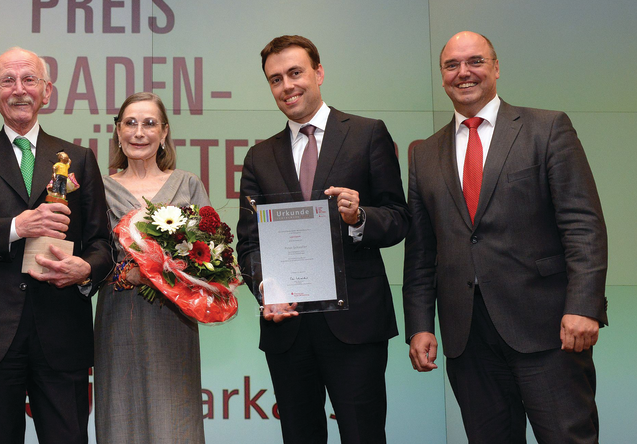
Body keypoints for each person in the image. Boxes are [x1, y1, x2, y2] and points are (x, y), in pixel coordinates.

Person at [403, 31, 607, 444]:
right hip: (468, 339)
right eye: (451, 65)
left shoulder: (547, 128)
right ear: (442, 76)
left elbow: (583, 224)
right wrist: (420, 325)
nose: (464, 73)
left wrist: (584, 306)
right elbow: (422, 251)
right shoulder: (423, 153)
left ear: (496, 68)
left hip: (550, 331)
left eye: (475, 61)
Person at [0, 46, 113, 444]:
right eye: (7, 81)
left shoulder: (79, 158)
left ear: (47, 92)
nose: (19, 90)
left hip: (62, 330)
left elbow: (101, 242)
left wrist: (87, 270)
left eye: (29, 79)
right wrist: (16, 226)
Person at [236, 35, 410, 443]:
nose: (287, 86)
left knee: (362, 434)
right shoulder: (259, 157)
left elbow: (399, 219)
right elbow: (249, 243)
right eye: (275, 79)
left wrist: (360, 216)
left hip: (355, 323)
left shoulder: (367, 134)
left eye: (295, 73)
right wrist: (266, 288)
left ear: (319, 72)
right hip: (288, 327)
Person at [93, 91, 209, 444]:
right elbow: (91, 254)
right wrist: (123, 274)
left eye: (149, 124)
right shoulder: (100, 188)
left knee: (175, 418)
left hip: (174, 319)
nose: (138, 132)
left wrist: (173, 272)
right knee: (119, 415)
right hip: (119, 315)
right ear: (117, 131)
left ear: (164, 132)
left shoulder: (187, 184)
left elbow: (209, 255)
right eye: (130, 123)